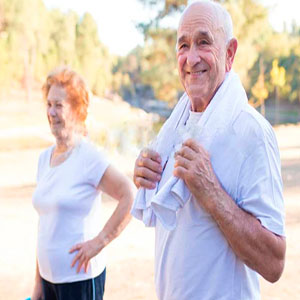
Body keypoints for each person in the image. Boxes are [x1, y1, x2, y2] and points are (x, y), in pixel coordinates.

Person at [132, 1, 286, 299]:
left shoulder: (252, 132)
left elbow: (274, 263)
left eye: (203, 43)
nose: (191, 58)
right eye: (183, 45)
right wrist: (144, 174)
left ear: (229, 53)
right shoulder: (175, 127)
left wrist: (211, 191)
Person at [31, 67, 135, 300]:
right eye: (49, 104)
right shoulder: (43, 159)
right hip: (49, 281)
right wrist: (38, 285)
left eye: (59, 105)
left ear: (77, 110)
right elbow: (44, 226)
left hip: (80, 281)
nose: (51, 112)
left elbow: (130, 196)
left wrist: (99, 242)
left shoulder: (89, 157)